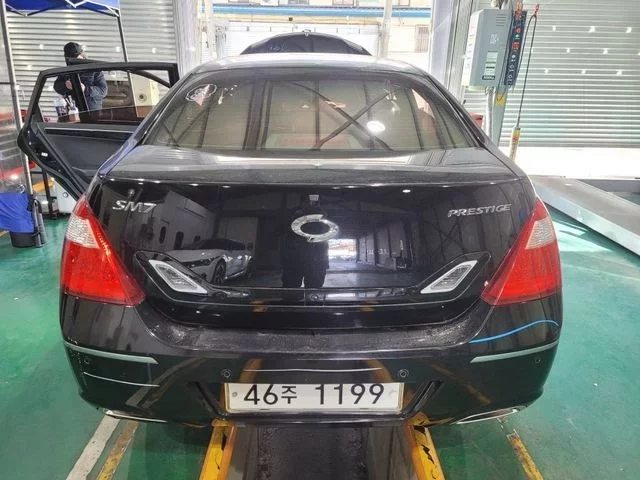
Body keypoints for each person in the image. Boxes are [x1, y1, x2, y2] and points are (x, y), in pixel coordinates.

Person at [53, 42, 107, 113]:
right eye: (72, 61)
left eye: (77, 60)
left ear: (83, 55)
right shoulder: (66, 71)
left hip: (92, 111)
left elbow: (103, 90)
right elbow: (57, 87)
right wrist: (65, 85)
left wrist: (86, 89)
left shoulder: (94, 69)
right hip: (72, 111)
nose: (75, 64)